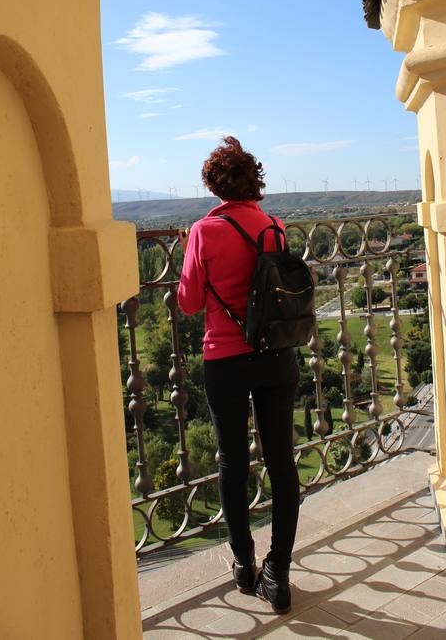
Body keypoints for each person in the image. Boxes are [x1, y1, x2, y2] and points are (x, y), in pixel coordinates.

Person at [177, 136, 300, 615]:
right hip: (277, 356)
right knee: (282, 462)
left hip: (225, 359)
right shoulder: (275, 227)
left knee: (233, 460)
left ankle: (245, 566)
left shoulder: (205, 231)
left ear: (213, 185)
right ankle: (280, 573)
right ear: (255, 180)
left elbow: (188, 302)